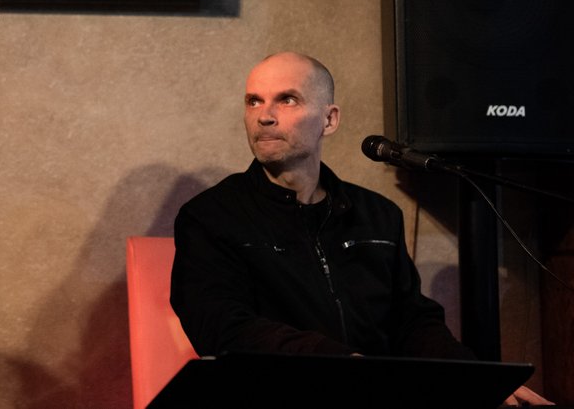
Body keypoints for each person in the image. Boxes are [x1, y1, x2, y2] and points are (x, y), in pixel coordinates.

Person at [170, 51, 551, 406]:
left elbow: (412, 322)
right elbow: (222, 326)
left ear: (330, 119)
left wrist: (478, 380)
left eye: (287, 100)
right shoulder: (210, 217)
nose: (264, 116)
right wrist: (341, 363)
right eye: (254, 101)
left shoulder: (377, 215)